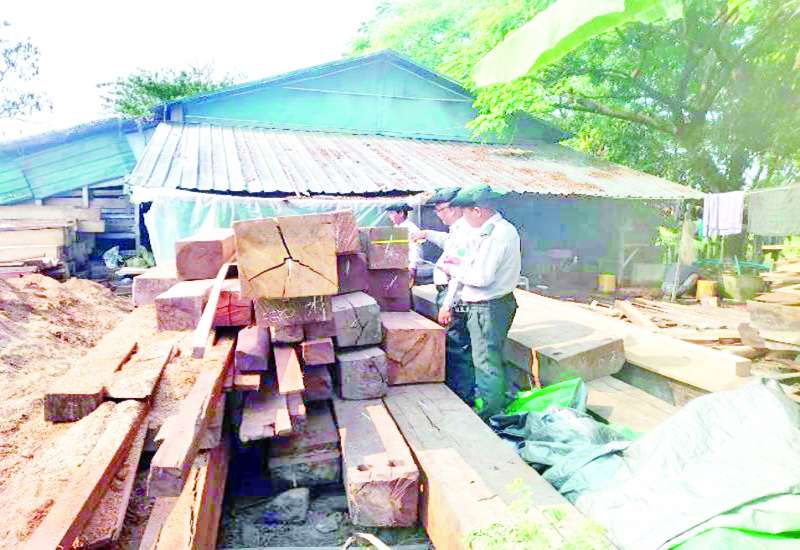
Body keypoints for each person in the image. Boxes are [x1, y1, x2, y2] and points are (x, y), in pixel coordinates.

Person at [446, 185, 521, 418]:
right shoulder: (495, 230)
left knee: (485, 363)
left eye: (465, 213)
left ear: (477, 211)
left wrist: (453, 270)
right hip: (494, 305)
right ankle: (501, 402)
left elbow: (481, 278)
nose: (464, 219)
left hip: (486, 307)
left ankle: (490, 414)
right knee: (493, 357)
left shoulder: (497, 235)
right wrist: (461, 264)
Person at [411, 187, 476, 403]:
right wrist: (427, 234)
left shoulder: (465, 231)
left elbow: (459, 274)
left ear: (454, 208)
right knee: (455, 343)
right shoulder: (458, 230)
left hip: (454, 294)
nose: (439, 215)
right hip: (448, 291)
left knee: (457, 345)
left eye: (441, 210)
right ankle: (461, 390)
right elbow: (447, 242)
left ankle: (462, 395)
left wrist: (447, 304)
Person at [384, 202, 423, 277]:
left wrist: (412, 266)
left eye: (392, 213)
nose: (390, 216)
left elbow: (415, 248)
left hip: (407, 266)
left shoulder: (411, 229)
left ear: (401, 213)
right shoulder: (396, 227)